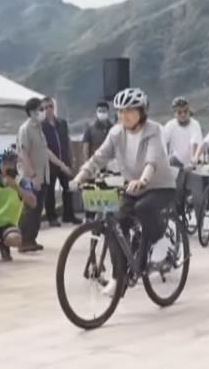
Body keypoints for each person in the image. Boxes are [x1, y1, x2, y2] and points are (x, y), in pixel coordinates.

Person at [70, 87, 176, 290]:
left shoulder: (154, 130)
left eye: (128, 110)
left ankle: (162, 246)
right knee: (116, 224)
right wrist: (81, 176)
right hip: (133, 187)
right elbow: (99, 157)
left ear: (141, 111)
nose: (123, 115)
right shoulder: (116, 132)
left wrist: (143, 180)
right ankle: (119, 277)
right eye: (119, 111)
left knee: (144, 208)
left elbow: (152, 160)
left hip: (159, 185)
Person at [16, 97, 72, 253]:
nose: (44, 112)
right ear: (32, 112)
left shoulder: (39, 128)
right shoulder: (25, 129)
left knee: (38, 209)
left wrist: (61, 165)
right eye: (41, 109)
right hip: (32, 176)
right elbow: (24, 154)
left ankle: (31, 239)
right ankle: (23, 241)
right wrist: (32, 176)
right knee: (30, 209)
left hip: (44, 174)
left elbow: (46, 151)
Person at [0, 148, 37, 261]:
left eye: (11, 164)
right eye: (5, 163)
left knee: (15, 239)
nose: (8, 167)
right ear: (0, 164)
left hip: (8, 225)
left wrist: (16, 187)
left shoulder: (21, 182)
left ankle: (3, 245)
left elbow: (33, 203)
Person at [163, 96, 204, 220]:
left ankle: (200, 222)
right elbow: (162, 143)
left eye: (185, 111)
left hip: (193, 162)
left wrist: (193, 160)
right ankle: (178, 214)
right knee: (176, 192)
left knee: (198, 196)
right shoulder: (170, 125)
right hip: (177, 163)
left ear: (188, 111)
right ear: (175, 113)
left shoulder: (194, 124)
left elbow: (195, 142)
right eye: (179, 112)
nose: (182, 114)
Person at [41, 96, 79, 226]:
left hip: (65, 160)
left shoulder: (62, 123)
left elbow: (67, 140)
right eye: (45, 107)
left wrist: (72, 156)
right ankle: (52, 217)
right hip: (49, 164)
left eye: (50, 106)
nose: (48, 110)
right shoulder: (41, 126)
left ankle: (69, 215)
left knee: (69, 188)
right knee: (50, 191)